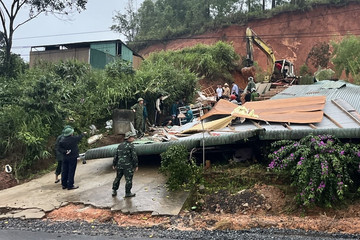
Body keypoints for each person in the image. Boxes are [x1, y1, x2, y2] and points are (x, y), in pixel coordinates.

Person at [112, 131, 138, 198]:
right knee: (128, 179)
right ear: (129, 138)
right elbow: (134, 157)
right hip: (128, 166)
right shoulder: (131, 146)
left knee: (118, 178)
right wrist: (136, 165)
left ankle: (114, 190)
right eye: (132, 137)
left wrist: (114, 164)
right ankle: (128, 193)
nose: (133, 138)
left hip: (119, 165)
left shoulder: (120, 145)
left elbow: (116, 156)